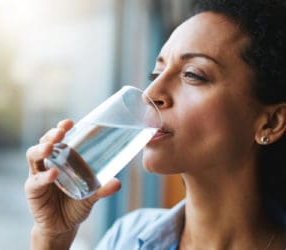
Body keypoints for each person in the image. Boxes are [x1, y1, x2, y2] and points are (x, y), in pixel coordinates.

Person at [25, 0, 286, 249]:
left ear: (271, 123)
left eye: (193, 75)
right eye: (156, 74)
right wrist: (52, 238)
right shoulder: (126, 237)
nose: (150, 93)